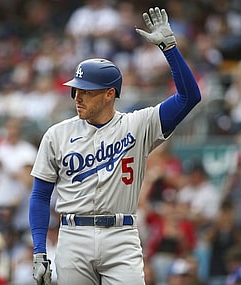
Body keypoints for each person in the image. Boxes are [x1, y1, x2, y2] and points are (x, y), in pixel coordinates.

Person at [29, 7, 201, 285]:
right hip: (74, 236)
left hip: (121, 235)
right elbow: (39, 196)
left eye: (87, 90)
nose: (78, 97)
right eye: (76, 89)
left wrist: (169, 48)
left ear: (110, 94)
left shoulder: (139, 124)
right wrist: (39, 251)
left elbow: (189, 97)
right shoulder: (56, 134)